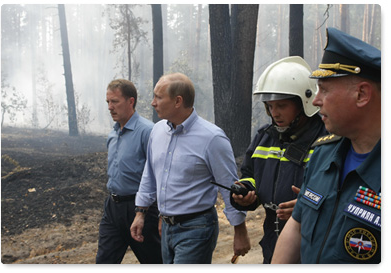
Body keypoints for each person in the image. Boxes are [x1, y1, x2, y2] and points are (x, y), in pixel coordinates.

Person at [272, 27, 381, 264]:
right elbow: (298, 225)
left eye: (325, 89)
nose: (316, 100)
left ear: (362, 94)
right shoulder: (323, 153)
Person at [130, 72, 251, 264]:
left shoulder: (212, 138)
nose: (153, 102)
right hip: (166, 228)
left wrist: (240, 230)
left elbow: (229, 186)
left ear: (178, 101)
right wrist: (140, 213)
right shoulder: (157, 131)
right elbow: (150, 175)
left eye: (159, 97)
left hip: (197, 228)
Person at [230, 56, 327, 264]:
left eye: (281, 106)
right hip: (272, 239)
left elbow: (337, 190)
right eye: (270, 106)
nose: (274, 113)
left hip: (312, 242)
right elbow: (250, 175)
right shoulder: (264, 137)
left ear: (304, 103)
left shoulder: (326, 140)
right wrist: (246, 193)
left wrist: (309, 204)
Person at [96, 79, 162, 264]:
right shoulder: (113, 133)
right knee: (104, 262)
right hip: (113, 208)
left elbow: (159, 174)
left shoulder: (148, 131)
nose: (110, 107)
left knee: (155, 261)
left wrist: (159, 214)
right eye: (108, 102)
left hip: (141, 208)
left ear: (130, 101)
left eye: (115, 101)